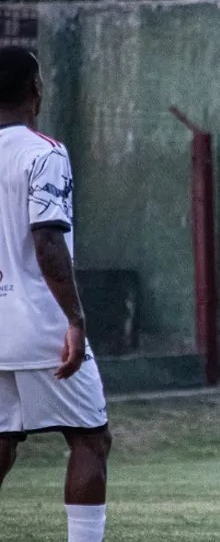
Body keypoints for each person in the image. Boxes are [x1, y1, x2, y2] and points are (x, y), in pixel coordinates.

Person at [0, 46, 112, 542]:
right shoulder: (44, 153)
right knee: (90, 438)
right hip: (40, 326)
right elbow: (47, 240)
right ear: (35, 91)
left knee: (2, 443)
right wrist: (76, 319)